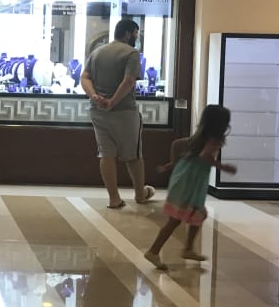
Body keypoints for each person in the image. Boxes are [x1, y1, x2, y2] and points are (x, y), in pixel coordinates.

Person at [145, 105, 237, 270]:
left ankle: (188, 249)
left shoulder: (199, 137)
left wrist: (169, 165)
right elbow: (205, 156)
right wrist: (223, 167)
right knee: (176, 220)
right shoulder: (213, 140)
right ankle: (154, 251)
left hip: (185, 179)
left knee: (197, 215)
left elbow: (180, 147)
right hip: (191, 184)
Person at [80, 18, 155, 209]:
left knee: (106, 154)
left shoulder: (97, 52)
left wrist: (95, 96)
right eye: (136, 34)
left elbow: (85, 77)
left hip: (98, 111)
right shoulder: (131, 53)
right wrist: (112, 102)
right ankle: (140, 194)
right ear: (128, 33)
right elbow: (129, 81)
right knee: (133, 154)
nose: (137, 38)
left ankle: (114, 199)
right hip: (124, 112)